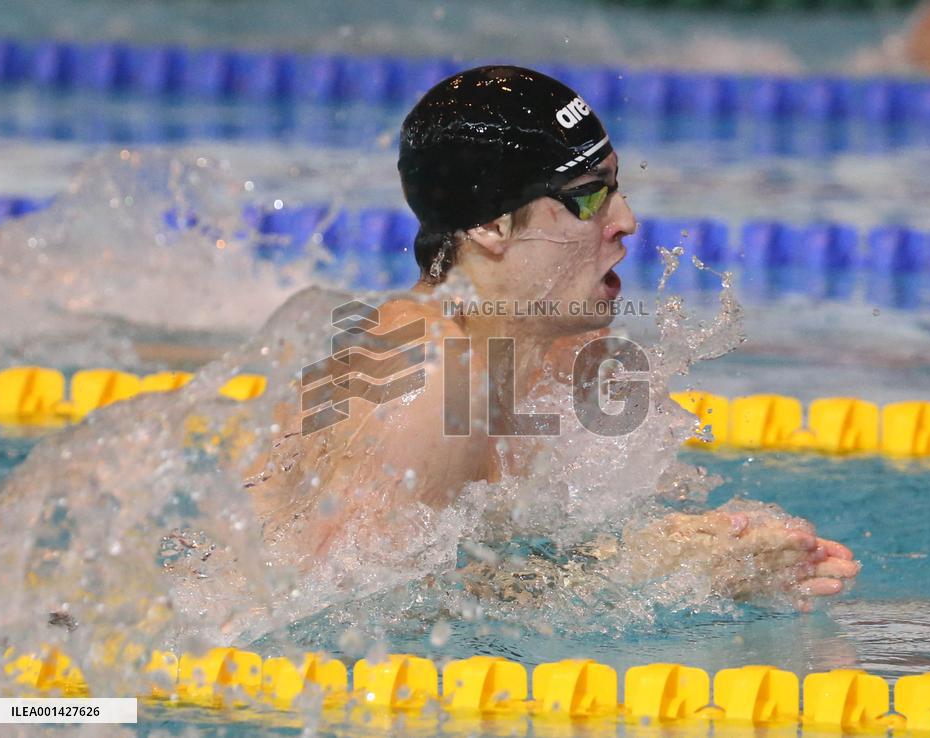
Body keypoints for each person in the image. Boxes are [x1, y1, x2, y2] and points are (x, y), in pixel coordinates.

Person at [246, 66, 858, 609]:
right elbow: (344, 618)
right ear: (490, 225)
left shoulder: (550, 348)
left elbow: (519, 544)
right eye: (589, 195)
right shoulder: (425, 387)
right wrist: (654, 567)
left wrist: (727, 546)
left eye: (614, 186)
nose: (626, 222)